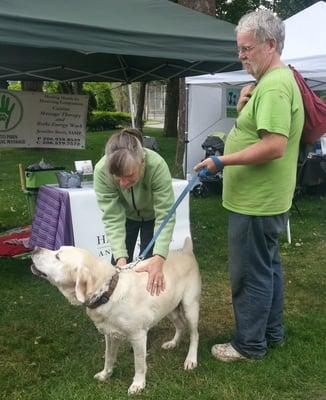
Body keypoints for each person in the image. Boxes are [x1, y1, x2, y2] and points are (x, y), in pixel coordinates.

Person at [195, 9, 304, 361]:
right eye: (239, 49)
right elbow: (257, 132)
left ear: (269, 45)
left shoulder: (273, 86)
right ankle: (271, 334)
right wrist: (243, 108)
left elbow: (274, 145)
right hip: (266, 199)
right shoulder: (277, 82)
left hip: (255, 203)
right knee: (268, 268)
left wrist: (221, 160)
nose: (241, 56)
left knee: (249, 276)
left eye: (246, 49)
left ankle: (249, 344)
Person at [94, 128, 175, 296]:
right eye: (118, 177)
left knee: (149, 267)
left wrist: (159, 258)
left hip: (152, 216)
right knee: (118, 267)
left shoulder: (157, 165)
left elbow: (165, 214)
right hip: (126, 216)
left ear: (142, 162)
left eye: (129, 176)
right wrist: (121, 259)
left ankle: (144, 309)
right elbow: (112, 218)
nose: (123, 184)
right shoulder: (102, 170)